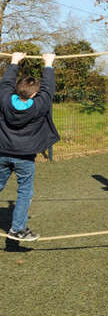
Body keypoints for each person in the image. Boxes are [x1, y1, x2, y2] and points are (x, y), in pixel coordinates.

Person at [0, 52, 59, 242]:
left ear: (17, 90)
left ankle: (18, 228)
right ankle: (17, 229)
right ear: (34, 94)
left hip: (2, 152)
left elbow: (6, 84)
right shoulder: (38, 105)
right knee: (25, 191)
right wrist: (48, 64)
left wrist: (14, 61)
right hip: (24, 157)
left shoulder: (5, 100)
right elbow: (48, 89)